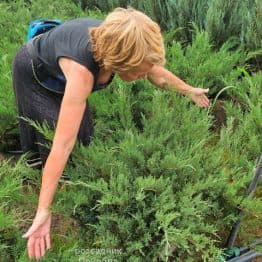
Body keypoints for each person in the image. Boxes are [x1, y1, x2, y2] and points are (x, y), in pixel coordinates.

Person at [13, 7, 209, 259]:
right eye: (138, 71)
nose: (142, 76)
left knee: (84, 138)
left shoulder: (125, 45)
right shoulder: (83, 72)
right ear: (120, 61)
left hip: (65, 70)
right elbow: (62, 145)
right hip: (34, 73)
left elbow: (156, 73)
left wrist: (188, 90)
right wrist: (43, 210)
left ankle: (76, 190)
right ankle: (46, 194)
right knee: (51, 136)